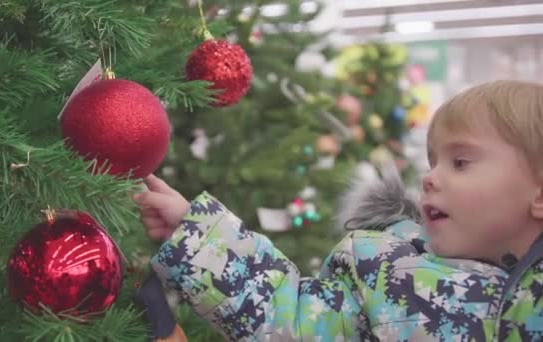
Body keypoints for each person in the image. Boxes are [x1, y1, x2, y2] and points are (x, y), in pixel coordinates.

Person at [134, 80, 543, 341]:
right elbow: (285, 313)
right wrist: (195, 232)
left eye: (461, 162)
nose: (430, 178)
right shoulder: (390, 275)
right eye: (433, 162)